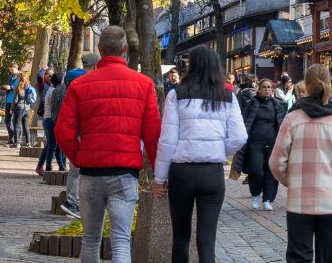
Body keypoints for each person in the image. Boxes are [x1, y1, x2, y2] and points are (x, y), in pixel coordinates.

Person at [54, 26, 161, 263]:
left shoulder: (80, 85)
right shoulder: (143, 84)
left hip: (91, 172)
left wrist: (78, 156)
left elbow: (63, 130)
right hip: (124, 172)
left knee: (91, 239)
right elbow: (153, 134)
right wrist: (158, 174)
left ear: (100, 50)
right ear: (124, 49)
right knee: (121, 240)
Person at [153, 45, 247, 263]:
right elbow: (240, 137)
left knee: (181, 236)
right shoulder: (227, 96)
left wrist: (159, 179)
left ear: (191, 66)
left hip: (182, 171)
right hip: (212, 173)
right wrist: (219, 149)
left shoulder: (177, 94)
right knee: (207, 238)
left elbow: (167, 140)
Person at [270, 63, 332, 263]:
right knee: (327, 257)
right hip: (330, 200)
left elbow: (276, 162)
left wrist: (290, 181)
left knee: (298, 256)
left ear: (306, 85)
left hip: (299, 200)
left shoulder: (292, 119)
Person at [55, 52, 97, 219]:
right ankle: (76, 203)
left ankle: (72, 201)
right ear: (94, 66)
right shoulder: (89, 82)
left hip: (73, 129)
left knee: (75, 169)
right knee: (83, 170)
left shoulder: (69, 80)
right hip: (85, 131)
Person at [242, 79, 286, 211]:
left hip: (273, 143)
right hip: (255, 142)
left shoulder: (277, 104)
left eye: (269, 87)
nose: (267, 89)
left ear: (272, 90)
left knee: (271, 172)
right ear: (259, 89)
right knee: (256, 170)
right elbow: (245, 121)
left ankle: (268, 199)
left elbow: (282, 123)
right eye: (264, 87)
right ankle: (256, 194)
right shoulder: (252, 103)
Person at [37, 73, 67, 176]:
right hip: (51, 120)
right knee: (53, 145)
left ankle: (58, 165)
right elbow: (56, 108)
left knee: (51, 145)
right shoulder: (55, 91)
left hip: (47, 119)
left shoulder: (51, 90)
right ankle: (49, 166)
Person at [8, 75, 37, 148]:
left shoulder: (18, 87)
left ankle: (16, 143)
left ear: (19, 79)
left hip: (19, 108)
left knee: (16, 125)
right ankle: (28, 143)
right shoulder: (29, 87)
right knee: (26, 126)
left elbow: (15, 100)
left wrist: (12, 109)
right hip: (27, 109)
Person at [2, 65, 21, 144]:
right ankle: (11, 134)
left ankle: (16, 139)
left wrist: (11, 87)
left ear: (17, 69)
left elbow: (19, 87)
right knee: (7, 120)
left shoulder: (20, 77)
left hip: (16, 101)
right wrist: (5, 91)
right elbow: (8, 87)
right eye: (10, 69)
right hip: (8, 101)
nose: (11, 70)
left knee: (16, 121)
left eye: (12, 69)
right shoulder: (10, 77)